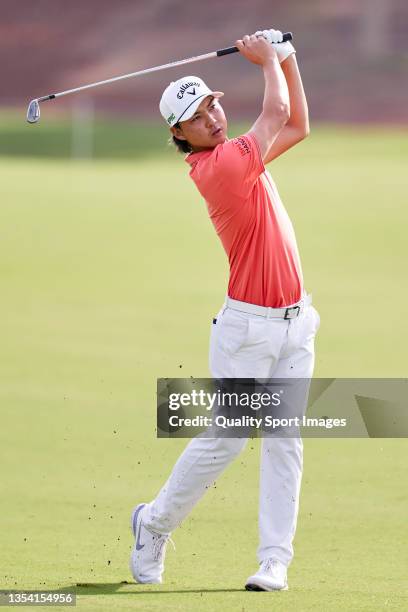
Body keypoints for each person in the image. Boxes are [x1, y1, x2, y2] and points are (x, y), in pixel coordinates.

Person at [130, 29, 320, 592]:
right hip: (247, 331)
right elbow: (278, 108)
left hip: (295, 323)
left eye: (212, 103)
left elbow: (299, 124)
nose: (212, 117)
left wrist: (287, 57)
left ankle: (274, 561)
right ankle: (153, 523)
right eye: (197, 114)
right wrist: (268, 60)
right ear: (180, 134)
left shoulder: (241, 153)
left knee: (286, 440)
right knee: (228, 440)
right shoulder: (220, 168)